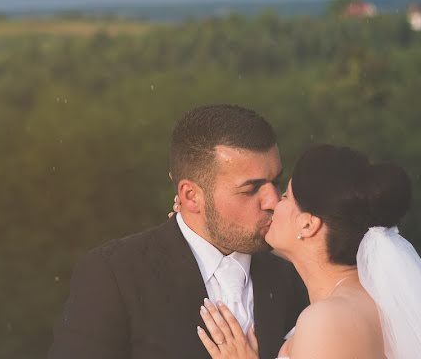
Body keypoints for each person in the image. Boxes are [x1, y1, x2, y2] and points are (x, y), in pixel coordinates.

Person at [48, 105, 308, 359]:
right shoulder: (115, 274)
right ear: (191, 196)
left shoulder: (293, 280)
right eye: (250, 189)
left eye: (275, 182)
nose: (273, 200)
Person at [194, 144, 421, 359]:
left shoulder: (326, 320)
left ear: (308, 225)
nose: (272, 204)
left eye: (285, 197)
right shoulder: (366, 302)